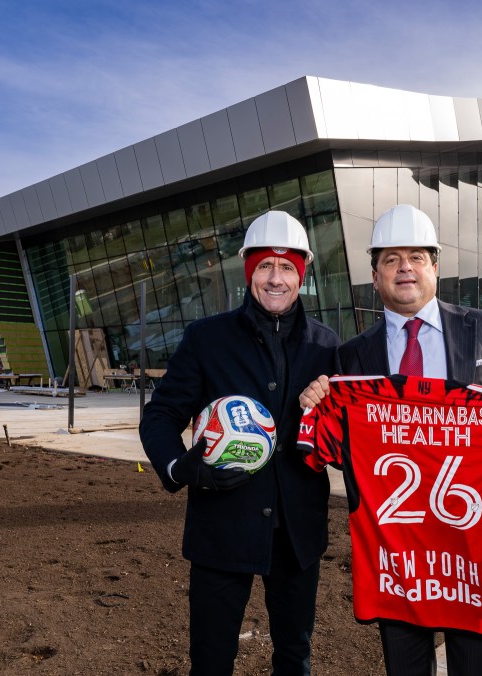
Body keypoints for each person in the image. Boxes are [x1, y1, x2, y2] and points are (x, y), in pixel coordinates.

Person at [299, 204, 482, 676]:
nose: (405, 267)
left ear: (435, 268)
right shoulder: (352, 355)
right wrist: (317, 405)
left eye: (417, 257)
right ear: (375, 277)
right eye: (391, 259)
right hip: (397, 559)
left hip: (475, 555)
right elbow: (351, 455)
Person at [140, 211, 340, 675]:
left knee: (295, 657)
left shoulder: (328, 347)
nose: (276, 279)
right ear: (249, 271)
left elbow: (345, 434)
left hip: (298, 533)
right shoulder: (206, 339)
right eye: (265, 266)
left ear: (302, 274)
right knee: (211, 662)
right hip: (221, 527)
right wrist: (179, 467)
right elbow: (161, 416)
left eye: (287, 267)